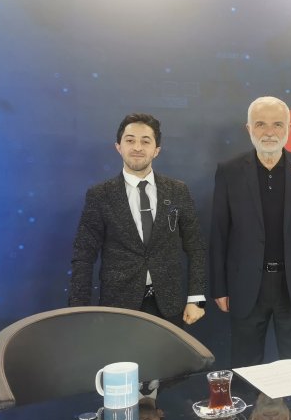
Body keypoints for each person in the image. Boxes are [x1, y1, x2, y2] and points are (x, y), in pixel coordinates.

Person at [210, 96, 291, 368]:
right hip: (245, 285)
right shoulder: (229, 171)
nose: (269, 132)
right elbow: (219, 234)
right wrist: (219, 287)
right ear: (248, 129)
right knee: (245, 367)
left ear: (289, 128)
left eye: (277, 124)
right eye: (260, 124)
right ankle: (246, 400)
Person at [69, 113, 207, 326]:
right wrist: (78, 309)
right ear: (118, 147)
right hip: (118, 306)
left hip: (169, 305)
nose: (137, 147)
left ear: (156, 150)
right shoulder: (100, 195)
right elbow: (83, 254)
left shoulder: (178, 191)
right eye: (130, 140)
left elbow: (196, 246)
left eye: (145, 141)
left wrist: (196, 299)